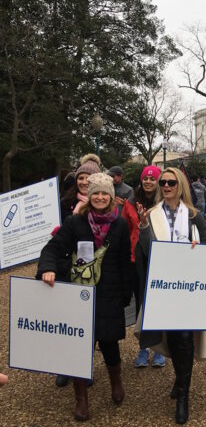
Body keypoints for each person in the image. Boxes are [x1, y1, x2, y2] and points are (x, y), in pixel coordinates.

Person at [37, 173, 131, 421]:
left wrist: (125, 294)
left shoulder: (120, 224)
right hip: (80, 293)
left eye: (104, 193)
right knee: (79, 345)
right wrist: (47, 268)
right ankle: (81, 398)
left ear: (111, 196)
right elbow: (52, 249)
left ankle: (116, 381)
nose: (100, 197)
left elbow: (124, 260)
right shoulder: (75, 222)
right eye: (96, 193)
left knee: (109, 342)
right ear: (90, 196)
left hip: (109, 291)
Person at [134, 167, 206, 424]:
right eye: (163, 182)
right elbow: (146, 252)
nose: (166, 186)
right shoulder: (150, 214)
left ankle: (183, 395)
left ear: (180, 185)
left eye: (171, 182)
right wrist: (145, 227)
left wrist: (199, 248)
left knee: (184, 338)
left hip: (188, 288)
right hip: (163, 288)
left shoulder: (194, 216)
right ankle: (180, 378)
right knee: (170, 338)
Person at [54, 153, 102, 388]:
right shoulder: (65, 203)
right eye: (81, 177)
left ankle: (83, 365)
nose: (84, 181)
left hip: (90, 270)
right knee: (66, 318)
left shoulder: (101, 203)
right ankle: (65, 365)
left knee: (87, 320)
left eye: (88, 178)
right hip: (66, 267)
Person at [122, 165, 166, 368]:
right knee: (141, 303)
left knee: (158, 302)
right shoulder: (131, 202)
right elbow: (124, 228)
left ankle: (158, 348)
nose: (148, 182)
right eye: (145, 179)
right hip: (135, 257)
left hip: (158, 257)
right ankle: (143, 347)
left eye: (153, 179)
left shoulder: (164, 203)